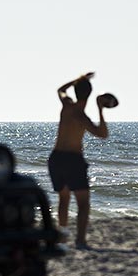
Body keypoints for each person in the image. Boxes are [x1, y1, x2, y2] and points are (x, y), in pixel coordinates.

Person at [48, 72, 109, 249]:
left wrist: (79, 79)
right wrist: (100, 109)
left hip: (56, 158)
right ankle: (80, 241)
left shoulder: (67, 106)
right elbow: (103, 134)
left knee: (64, 198)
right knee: (83, 203)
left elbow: (61, 90)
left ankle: (63, 236)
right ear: (90, 95)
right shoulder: (82, 116)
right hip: (72, 159)